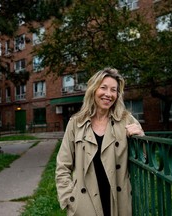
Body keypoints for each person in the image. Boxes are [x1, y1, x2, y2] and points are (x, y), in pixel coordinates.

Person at [55, 67, 145, 216]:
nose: (108, 94)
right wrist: (68, 198)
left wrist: (140, 136)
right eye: (103, 88)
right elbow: (63, 165)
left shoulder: (126, 119)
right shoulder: (75, 123)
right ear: (93, 89)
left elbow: (145, 158)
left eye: (113, 90)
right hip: (84, 204)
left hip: (119, 201)